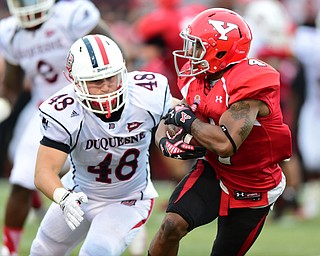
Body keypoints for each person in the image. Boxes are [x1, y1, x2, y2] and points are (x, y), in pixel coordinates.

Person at [148, 8, 292, 256]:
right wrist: (164, 142)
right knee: (171, 225)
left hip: (254, 185)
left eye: (197, 46)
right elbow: (173, 114)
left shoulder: (251, 83)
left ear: (222, 50)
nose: (190, 53)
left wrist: (187, 120)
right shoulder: (200, 78)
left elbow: (225, 143)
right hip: (216, 170)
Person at [29, 34, 173, 256]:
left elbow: (180, 112)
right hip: (78, 191)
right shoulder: (64, 111)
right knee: (43, 250)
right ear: (76, 82)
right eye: (96, 82)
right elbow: (43, 172)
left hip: (128, 199)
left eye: (111, 78)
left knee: (96, 251)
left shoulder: (147, 94)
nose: (106, 87)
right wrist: (62, 197)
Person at [0, 0, 115, 255]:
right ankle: (9, 249)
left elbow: (111, 53)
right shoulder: (9, 32)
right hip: (46, 110)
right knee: (21, 178)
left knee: (109, 173)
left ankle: (126, 219)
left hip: (89, 104)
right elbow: (11, 84)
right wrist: (4, 104)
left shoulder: (73, 14)